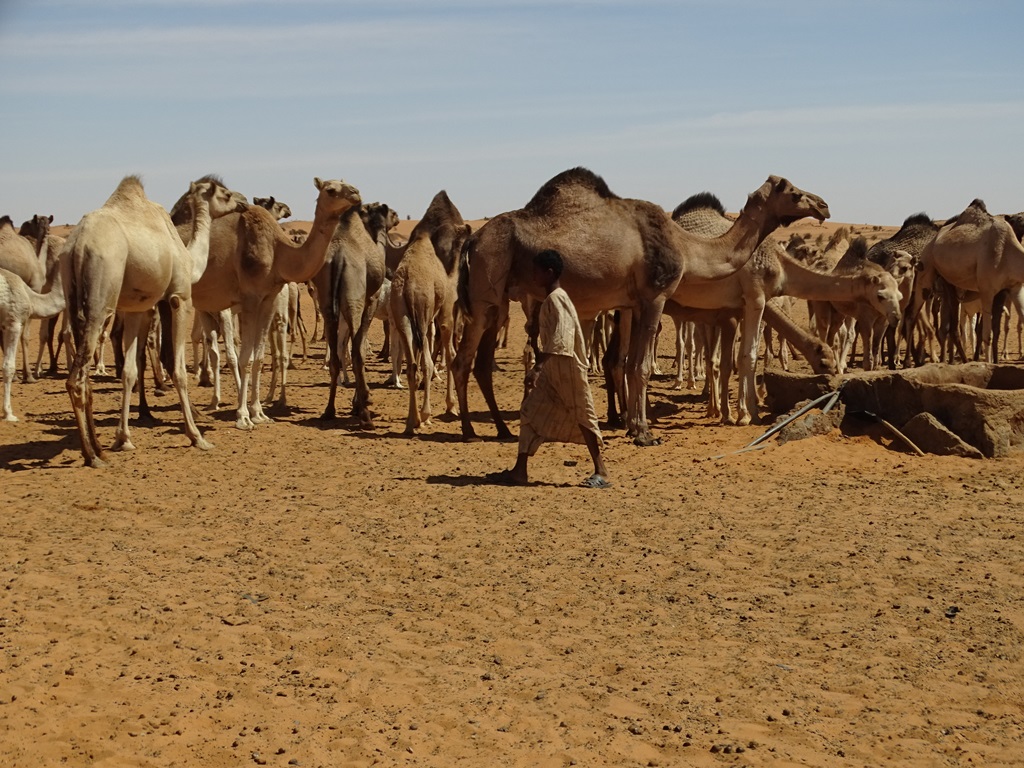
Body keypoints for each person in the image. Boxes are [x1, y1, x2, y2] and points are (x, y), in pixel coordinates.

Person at [489, 249, 610, 488]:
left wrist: (537, 368)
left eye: (537, 271)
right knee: (529, 411)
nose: (533, 276)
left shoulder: (557, 299)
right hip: (553, 370)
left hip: (567, 368)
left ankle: (602, 471)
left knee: (584, 416)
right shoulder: (550, 300)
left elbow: (561, 338)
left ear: (549, 273)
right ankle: (519, 471)